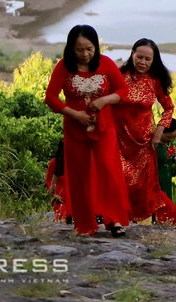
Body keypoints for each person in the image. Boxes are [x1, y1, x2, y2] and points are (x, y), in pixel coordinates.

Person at [43, 24, 132, 237]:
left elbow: (123, 91)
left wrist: (104, 100)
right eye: (80, 49)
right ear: (71, 48)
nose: (85, 54)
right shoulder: (64, 67)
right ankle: (84, 224)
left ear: (96, 47)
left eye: (89, 49)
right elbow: (51, 98)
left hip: (104, 127)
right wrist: (76, 115)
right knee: (80, 175)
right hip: (75, 129)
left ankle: (114, 220)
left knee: (109, 171)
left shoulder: (107, 64)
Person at [114, 38, 176, 225]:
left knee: (143, 188)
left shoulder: (155, 81)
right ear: (132, 54)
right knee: (119, 182)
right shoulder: (119, 75)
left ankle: (143, 223)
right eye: (139, 57)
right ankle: (118, 219)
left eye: (147, 59)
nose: (142, 62)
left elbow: (168, 107)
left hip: (144, 143)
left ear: (153, 60)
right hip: (118, 140)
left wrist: (159, 131)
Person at [44, 139, 72, 224]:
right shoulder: (54, 163)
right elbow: (48, 180)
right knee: (62, 217)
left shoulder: (73, 162)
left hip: (71, 198)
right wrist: (54, 195)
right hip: (60, 199)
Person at [155, 119, 176, 205]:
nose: (171, 140)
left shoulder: (169, 143)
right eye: (169, 137)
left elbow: (170, 154)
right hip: (155, 182)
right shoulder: (153, 144)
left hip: (166, 180)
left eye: (174, 137)